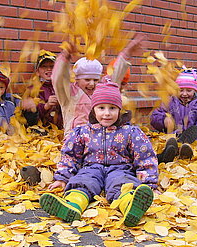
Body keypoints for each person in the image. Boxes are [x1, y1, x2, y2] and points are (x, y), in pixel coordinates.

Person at [39, 82, 158, 227]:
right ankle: (73, 204)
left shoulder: (130, 132)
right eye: (101, 108)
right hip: (91, 168)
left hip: (120, 168)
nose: (107, 113)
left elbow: (144, 156)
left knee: (123, 183)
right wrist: (63, 178)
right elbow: (70, 156)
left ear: (119, 110)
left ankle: (130, 205)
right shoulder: (83, 132)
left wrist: (149, 182)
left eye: (112, 108)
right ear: (93, 110)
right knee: (83, 182)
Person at [52, 34, 146, 134]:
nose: (92, 84)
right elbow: (58, 79)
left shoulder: (102, 90)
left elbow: (115, 75)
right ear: (77, 79)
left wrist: (127, 52)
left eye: (96, 80)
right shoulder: (68, 94)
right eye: (87, 79)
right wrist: (65, 56)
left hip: (100, 141)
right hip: (74, 141)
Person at [150, 67, 197, 163]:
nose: (184, 94)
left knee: (195, 147)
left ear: (195, 91)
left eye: (189, 90)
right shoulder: (169, 102)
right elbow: (155, 116)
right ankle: (169, 152)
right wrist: (163, 120)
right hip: (172, 136)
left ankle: (186, 153)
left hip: (195, 140)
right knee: (167, 143)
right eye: (181, 90)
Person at [35, 50, 63, 129]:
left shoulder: (62, 87)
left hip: (61, 130)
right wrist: (46, 106)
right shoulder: (33, 89)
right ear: (37, 72)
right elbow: (31, 115)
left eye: (52, 66)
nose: (49, 69)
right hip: (42, 132)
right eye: (44, 66)